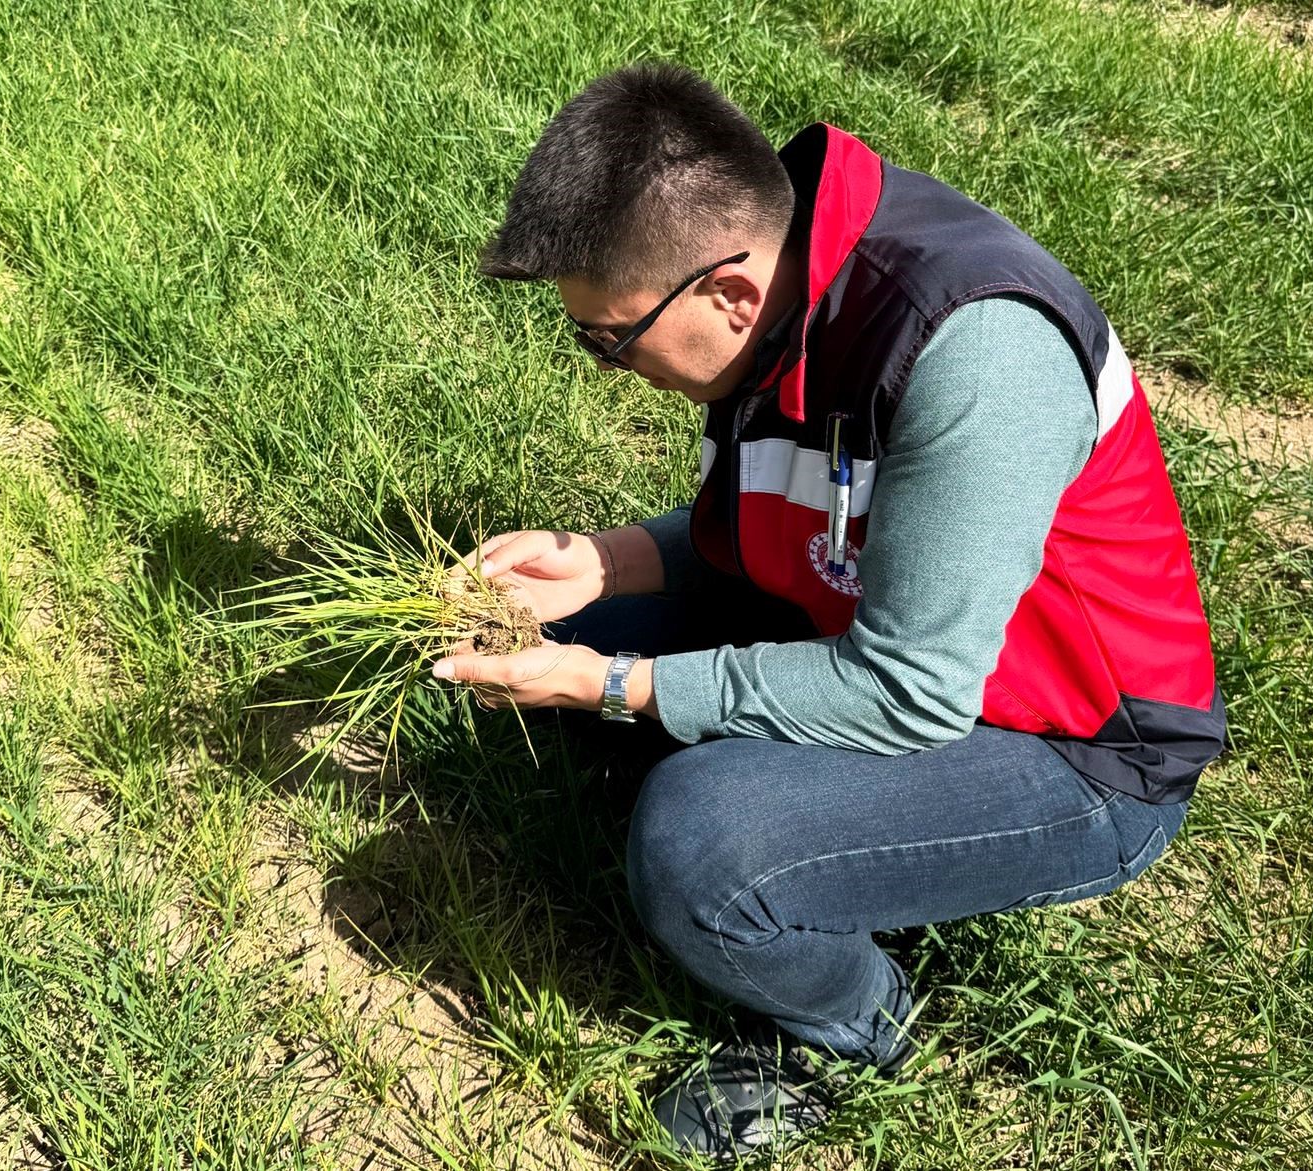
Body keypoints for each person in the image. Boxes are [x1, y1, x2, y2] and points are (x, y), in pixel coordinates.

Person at [430, 61, 1226, 1162]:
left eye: (611, 341)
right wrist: (605, 565)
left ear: (727, 294)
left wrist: (616, 684)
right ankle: (801, 823)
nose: (610, 369)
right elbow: (786, 525)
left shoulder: (973, 348)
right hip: (880, 640)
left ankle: (858, 1024)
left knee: (702, 841)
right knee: (548, 638)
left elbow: (909, 687)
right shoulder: (788, 286)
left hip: (1074, 748)